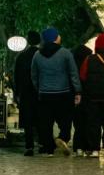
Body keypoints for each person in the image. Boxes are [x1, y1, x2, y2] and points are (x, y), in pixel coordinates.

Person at [31, 27, 82, 157]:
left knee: (46, 123)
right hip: (63, 93)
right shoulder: (66, 53)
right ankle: (63, 138)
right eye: (58, 35)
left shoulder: (37, 55)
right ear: (55, 38)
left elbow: (34, 75)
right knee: (65, 120)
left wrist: (39, 88)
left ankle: (49, 150)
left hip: (45, 94)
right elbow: (73, 73)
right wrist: (77, 91)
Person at [12, 31, 41, 156]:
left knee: (28, 120)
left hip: (25, 92)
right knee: (41, 118)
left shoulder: (21, 56)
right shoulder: (42, 55)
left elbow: (16, 77)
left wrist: (16, 93)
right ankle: (42, 144)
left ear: (28, 41)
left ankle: (29, 146)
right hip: (40, 91)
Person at [70, 43, 93, 156]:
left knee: (78, 123)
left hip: (74, 95)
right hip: (88, 96)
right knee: (88, 121)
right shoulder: (89, 64)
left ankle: (78, 147)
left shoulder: (72, 64)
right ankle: (88, 147)